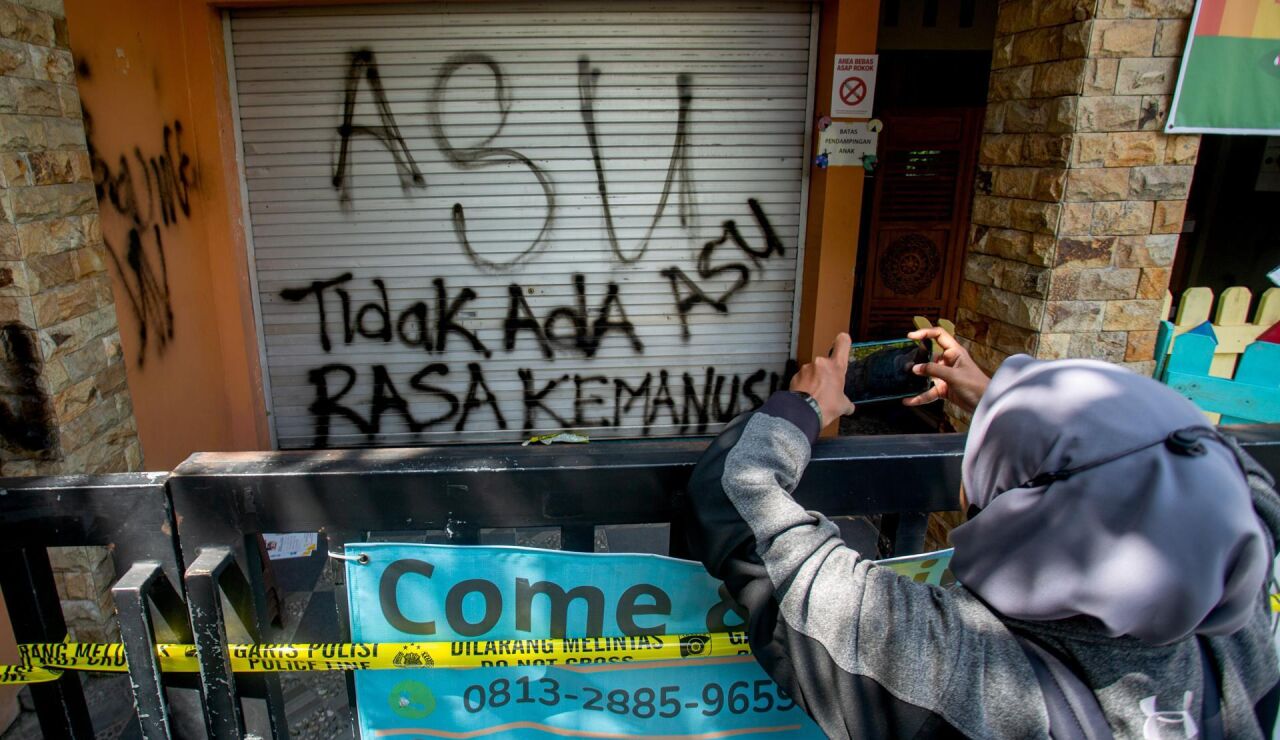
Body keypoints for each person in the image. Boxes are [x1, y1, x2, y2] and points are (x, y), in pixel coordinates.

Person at [684, 328, 1280, 739]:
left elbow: (742, 499)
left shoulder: (960, 670)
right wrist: (1004, 401)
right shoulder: (1240, 637)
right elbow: (1219, 467)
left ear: (1030, 512)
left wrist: (804, 404)